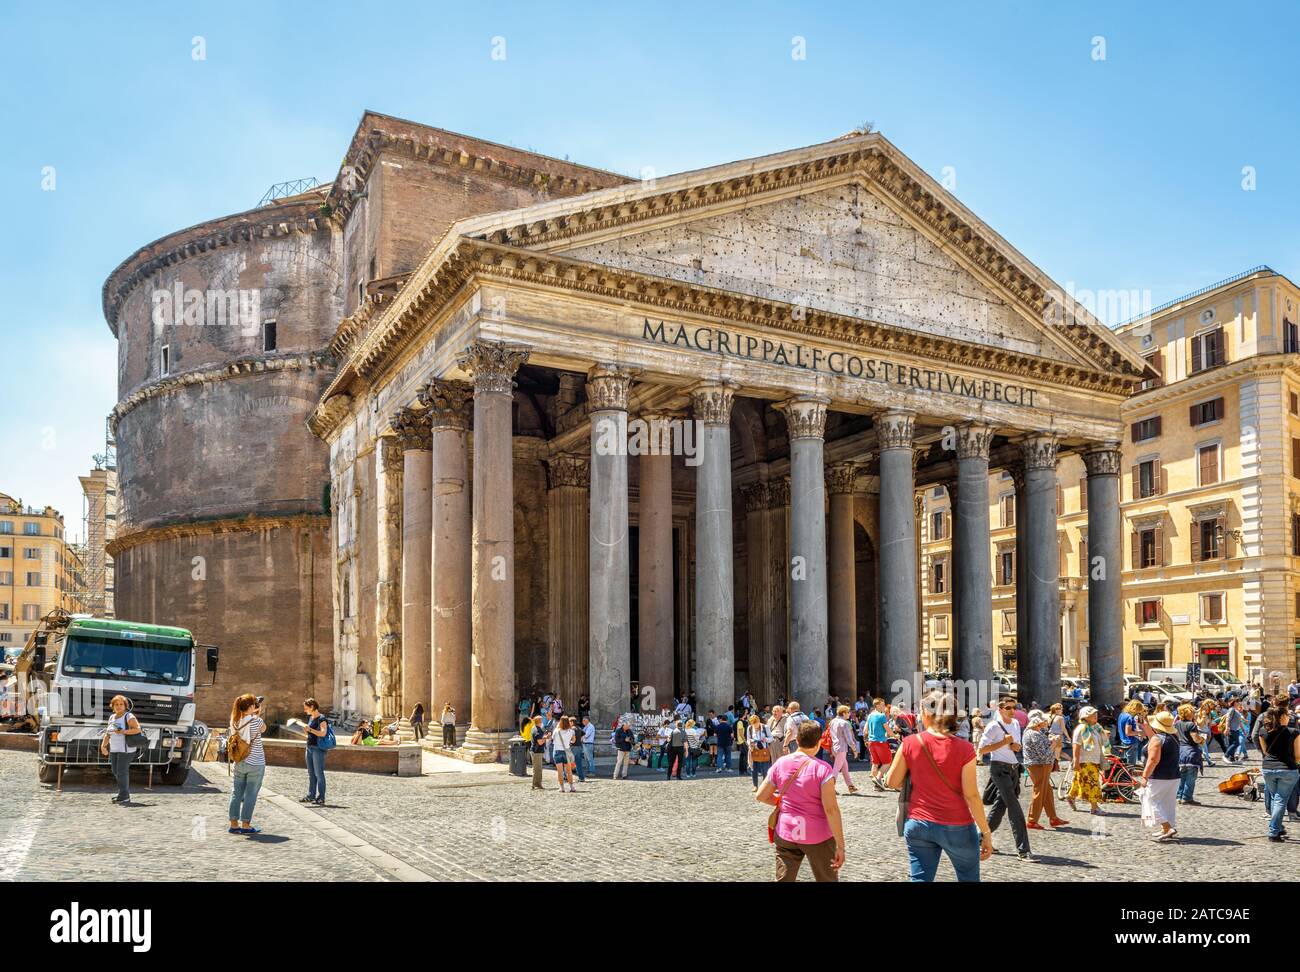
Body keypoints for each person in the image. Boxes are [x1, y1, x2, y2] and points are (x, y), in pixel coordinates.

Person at [886, 690, 994, 882]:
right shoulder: (965, 748)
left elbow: (891, 781)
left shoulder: (911, 742)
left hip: (919, 823)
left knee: (920, 879)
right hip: (957, 825)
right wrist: (985, 832)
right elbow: (971, 795)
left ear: (926, 713)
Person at [755, 720, 845, 882]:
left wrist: (779, 802)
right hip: (817, 835)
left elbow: (761, 795)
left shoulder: (781, 763)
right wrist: (840, 845)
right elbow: (831, 809)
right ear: (819, 743)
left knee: (784, 879)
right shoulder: (823, 769)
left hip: (786, 832)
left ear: (797, 741)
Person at [978, 696, 1031, 860]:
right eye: (1008, 707)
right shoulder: (993, 726)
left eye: (1014, 707)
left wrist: (1016, 746)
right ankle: (1023, 850)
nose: (1012, 710)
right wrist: (1003, 743)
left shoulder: (1015, 724)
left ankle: (979, 839)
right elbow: (981, 750)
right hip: (999, 769)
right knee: (1015, 809)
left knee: (999, 808)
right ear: (1000, 709)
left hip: (1014, 768)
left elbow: (1015, 745)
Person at [1258, 701, 1300, 842]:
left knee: (1276, 798)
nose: (1289, 717)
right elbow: (1298, 755)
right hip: (1287, 769)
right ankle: (1274, 831)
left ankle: (1279, 827)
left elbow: (1265, 752)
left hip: (1268, 768)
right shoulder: (1293, 732)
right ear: (1282, 717)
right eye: (1287, 715)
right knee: (1281, 800)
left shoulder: (1263, 731)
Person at [1137, 710, 1180, 841]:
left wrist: (1144, 776)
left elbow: (1153, 760)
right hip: (1173, 775)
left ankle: (1167, 827)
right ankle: (1166, 828)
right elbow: (1153, 736)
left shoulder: (1157, 739)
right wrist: (1145, 725)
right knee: (1167, 803)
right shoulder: (1173, 737)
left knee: (1149, 801)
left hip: (1158, 776)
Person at [227, 693, 267, 835]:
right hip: (255, 763)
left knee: (236, 793)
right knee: (250, 794)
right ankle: (245, 825)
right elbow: (263, 729)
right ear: (251, 706)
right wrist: (258, 712)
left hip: (239, 761)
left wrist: (253, 712)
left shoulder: (234, 721)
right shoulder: (256, 721)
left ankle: (233, 824)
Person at [1022, 710, 1067, 830]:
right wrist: (1055, 743)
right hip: (1039, 765)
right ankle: (1032, 820)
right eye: (1044, 721)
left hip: (1039, 765)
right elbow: (1044, 754)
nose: (1046, 722)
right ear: (1038, 723)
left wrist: (1051, 740)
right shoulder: (1034, 734)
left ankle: (1053, 818)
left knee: (1047, 791)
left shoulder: (1032, 732)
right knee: (1040, 792)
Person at [99, 695, 141, 805]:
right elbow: (108, 733)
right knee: (115, 771)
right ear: (112, 706)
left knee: (122, 772)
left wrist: (123, 732)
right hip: (114, 749)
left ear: (125, 706)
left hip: (126, 749)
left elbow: (137, 729)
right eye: (116, 704)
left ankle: (124, 796)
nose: (118, 706)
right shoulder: (112, 717)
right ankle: (123, 793)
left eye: (121, 704)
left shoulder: (129, 716)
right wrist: (103, 746)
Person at [1068, 705, 1106, 814]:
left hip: (1094, 760)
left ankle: (1070, 796)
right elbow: (1076, 745)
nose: (1095, 716)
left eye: (1096, 714)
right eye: (1092, 714)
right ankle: (1095, 807)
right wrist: (1076, 760)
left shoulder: (1095, 728)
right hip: (1085, 760)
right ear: (1085, 716)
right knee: (1093, 783)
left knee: (1078, 781)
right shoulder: (1081, 728)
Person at [1174, 702, 1204, 805]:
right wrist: (1202, 740)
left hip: (1180, 752)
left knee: (1182, 776)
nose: (1194, 713)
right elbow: (1195, 738)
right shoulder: (1191, 725)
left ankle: (1179, 796)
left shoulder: (1177, 723)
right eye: (1192, 712)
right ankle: (1187, 797)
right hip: (1191, 752)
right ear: (1188, 713)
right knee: (1190, 777)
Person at [301, 698, 329, 806]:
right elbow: (311, 733)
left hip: (318, 749)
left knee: (319, 774)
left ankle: (321, 797)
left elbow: (323, 733)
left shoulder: (321, 718)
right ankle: (311, 795)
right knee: (311, 774)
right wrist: (307, 730)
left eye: (306, 708)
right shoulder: (311, 718)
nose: (304, 710)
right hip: (309, 747)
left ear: (312, 707)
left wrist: (310, 730)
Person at [828, 705, 859, 794]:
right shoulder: (844, 723)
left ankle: (850, 786)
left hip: (834, 747)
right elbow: (849, 739)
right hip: (841, 748)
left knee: (844, 767)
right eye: (848, 712)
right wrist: (855, 750)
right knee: (836, 769)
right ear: (844, 713)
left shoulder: (833, 721)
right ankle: (830, 787)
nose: (849, 714)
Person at [864, 698, 892, 791]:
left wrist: (866, 739)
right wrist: (895, 736)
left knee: (875, 763)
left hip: (871, 742)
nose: (884, 707)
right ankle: (878, 778)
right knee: (887, 762)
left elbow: (865, 731)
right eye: (883, 705)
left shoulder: (870, 715)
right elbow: (888, 730)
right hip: (880, 742)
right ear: (877, 705)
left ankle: (876, 786)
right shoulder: (881, 716)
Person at [746, 713, 772, 790]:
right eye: (753, 724)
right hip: (754, 750)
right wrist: (750, 742)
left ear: (759, 721)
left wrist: (766, 739)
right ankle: (755, 786)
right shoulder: (750, 728)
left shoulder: (765, 727)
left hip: (764, 750)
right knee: (754, 769)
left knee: (765, 769)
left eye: (756, 724)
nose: (755, 726)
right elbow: (748, 739)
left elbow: (771, 738)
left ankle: (764, 786)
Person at [552, 716, 577, 792]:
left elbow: (553, 738)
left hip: (557, 751)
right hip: (566, 751)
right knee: (569, 771)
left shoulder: (556, 731)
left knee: (560, 771)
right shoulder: (571, 731)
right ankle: (571, 786)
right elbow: (573, 741)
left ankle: (562, 787)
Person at [1118, 700, 1146, 765]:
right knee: (1131, 765)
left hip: (1124, 740)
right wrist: (1140, 733)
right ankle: (1129, 774)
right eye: (1139, 710)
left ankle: (1125, 774)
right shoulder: (1129, 717)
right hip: (1131, 742)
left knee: (1126, 763)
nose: (1138, 712)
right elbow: (1128, 732)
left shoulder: (1122, 714)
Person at [528, 715, 548, 790]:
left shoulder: (534, 728)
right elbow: (540, 742)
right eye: (541, 720)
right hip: (537, 751)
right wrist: (545, 738)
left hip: (534, 751)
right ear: (540, 722)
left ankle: (536, 784)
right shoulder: (538, 730)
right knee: (538, 769)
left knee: (536, 769)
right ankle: (537, 784)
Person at [578, 716, 596, 782]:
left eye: (584, 720)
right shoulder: (586, 726)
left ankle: (592, 772)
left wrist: (580, 739)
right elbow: (582, 733)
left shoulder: (590, 726)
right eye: (583, 721)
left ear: (587, 720)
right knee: (586, 759)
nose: (583, 722)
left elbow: (586, 735)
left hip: (588, 744)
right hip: (585, 744)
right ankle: (588, 771)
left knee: (590, 759)